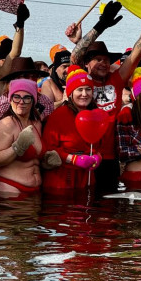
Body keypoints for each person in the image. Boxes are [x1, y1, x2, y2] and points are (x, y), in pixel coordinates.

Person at [69, 0, 141, 192]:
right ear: (87, 64)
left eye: (107, 60)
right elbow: (75, 56)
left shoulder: (115, 80)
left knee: (110, 213)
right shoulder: (82, 82)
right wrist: (101, 25)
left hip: (110, 157)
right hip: (84, 156)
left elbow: (134, 56)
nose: (104, 63)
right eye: (98, 59)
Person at [41, 66, 103, 195]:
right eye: (79, 90)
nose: (84, 94)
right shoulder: (58, 115)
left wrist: (98, 156)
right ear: (70, 93)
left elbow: (98, 143)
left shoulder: (96, 114)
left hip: (87, 177)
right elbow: (47, 147)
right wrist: (73, 159)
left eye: (88, 90)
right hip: (62, 178)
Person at [0, 79, 44, 197]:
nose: (21, 102)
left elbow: (35, 158)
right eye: (16, 97)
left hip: (34, 192)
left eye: (27, 97)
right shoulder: (6, 124)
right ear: (10, 99)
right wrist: (17, 147)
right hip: (10, 189)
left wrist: (47, 160)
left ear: (33, 101)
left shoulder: (37, 124)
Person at [0, 57, 54, 138]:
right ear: (13, 80)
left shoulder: (45, 102)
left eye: (34, 76)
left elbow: (51, 130)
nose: (31, 80)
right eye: (25, 76)